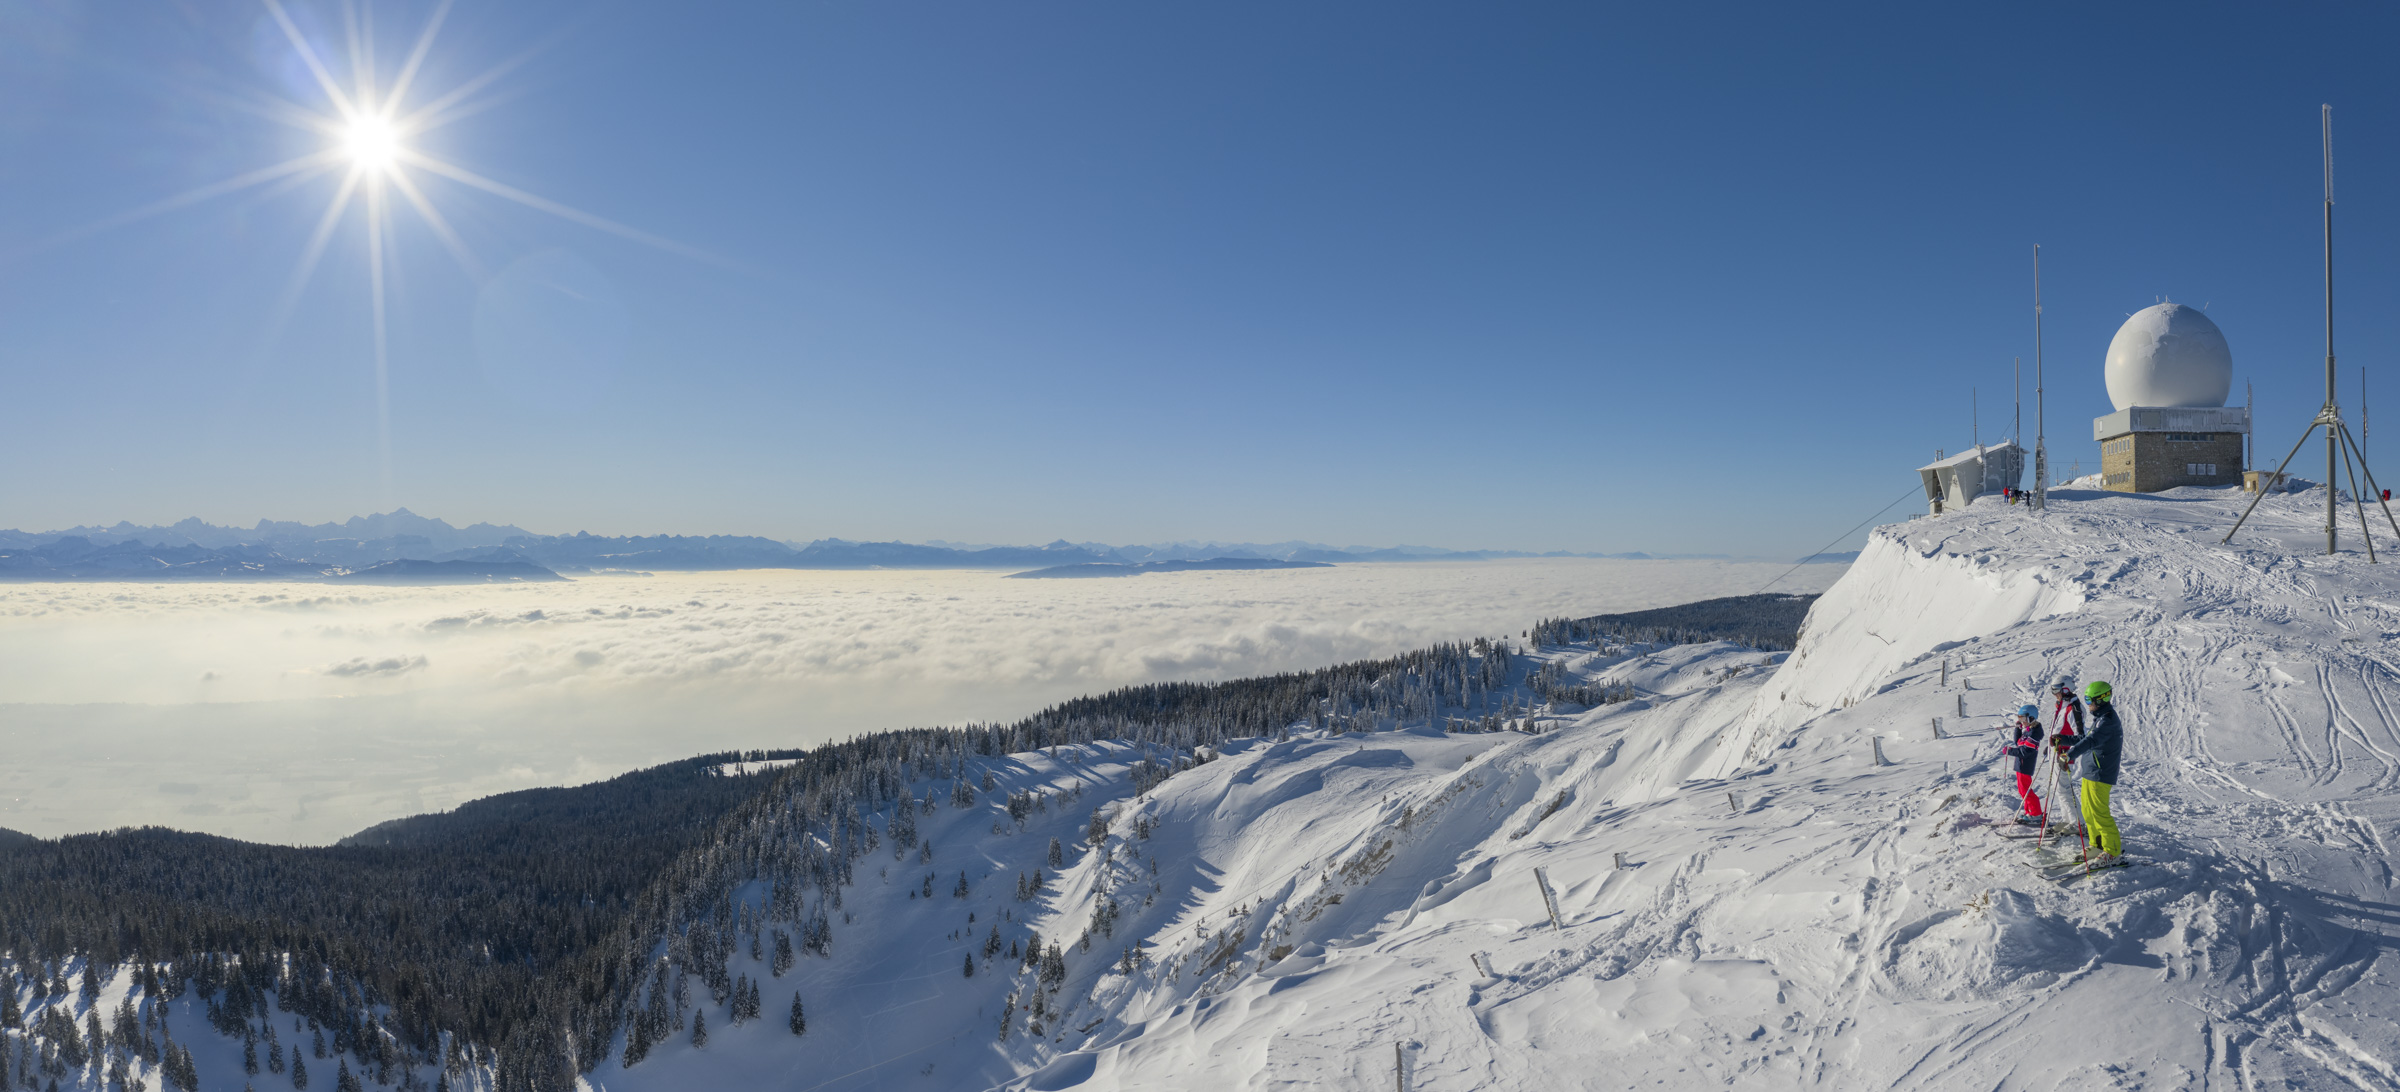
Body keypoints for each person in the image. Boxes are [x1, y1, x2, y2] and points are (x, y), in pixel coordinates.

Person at [2063, 680, 2125, 866]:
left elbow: (2091, 741)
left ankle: (2113, 852)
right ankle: (2097, 845)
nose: (2088, 703)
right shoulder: (2100, 719)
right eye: (2086, 699)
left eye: (2090, 699)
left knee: (2100, 813)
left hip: (2101, 773)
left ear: (2102, 699)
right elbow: (2085, 738)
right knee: (2088, 812)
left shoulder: (2108, 721)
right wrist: (2063, 739)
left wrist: (2069, 755)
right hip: (2090, 771)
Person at [2000, 704, 2046, 823]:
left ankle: (2036, 814)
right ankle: (2029, 811)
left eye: (2023, 719)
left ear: (2031, 718)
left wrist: (2009, 751)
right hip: (2020, 765)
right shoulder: (2028, 731)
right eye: (2020, 719)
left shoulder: (2034, 734)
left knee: (2026, 790)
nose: (2022, 721)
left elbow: (2025, 751)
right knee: (2022, 790)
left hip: (2025, 765)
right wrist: (2017, 728)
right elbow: (2018, 742)